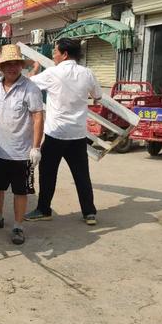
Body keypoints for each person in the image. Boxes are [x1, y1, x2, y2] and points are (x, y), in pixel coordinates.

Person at [25, 38, 103, 226]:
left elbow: (27, 84)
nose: (53, 54)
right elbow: (98, 96)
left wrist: (35, 67)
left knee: (48, 172)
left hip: (56, 134)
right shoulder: (87, 73)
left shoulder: (53, 73)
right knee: (82, 175)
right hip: (77, 134)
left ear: (65, 54)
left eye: (55, 51)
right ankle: (89, 213)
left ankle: (44, 209)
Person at [0, 44, 44, 245]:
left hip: (23, 154)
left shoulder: (30, 88)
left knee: (20, 191)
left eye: (16, 64)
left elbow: (38, 117)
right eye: (8, 64)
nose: (12, 68)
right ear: (2, 67)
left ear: (21, 66)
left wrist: (36, 147)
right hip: (1, 150)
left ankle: (18, 226)